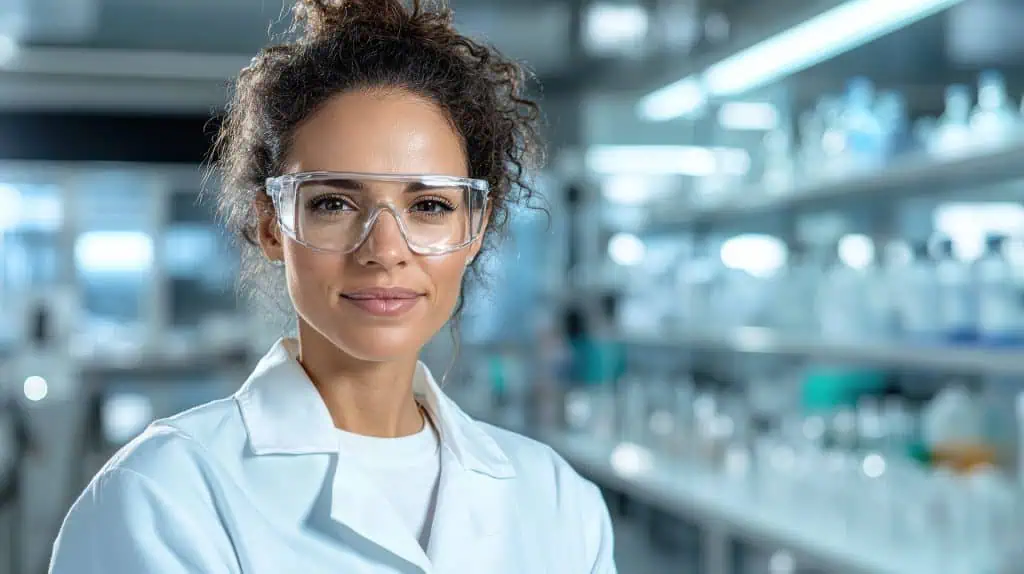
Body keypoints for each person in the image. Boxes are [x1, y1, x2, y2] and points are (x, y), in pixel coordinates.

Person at [48, 1, 617, 573]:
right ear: (271, 225)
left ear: (475, 228)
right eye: (334, 203)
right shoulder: (164, 496)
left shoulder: (559, 502)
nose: (385, 250)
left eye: (428, 206)